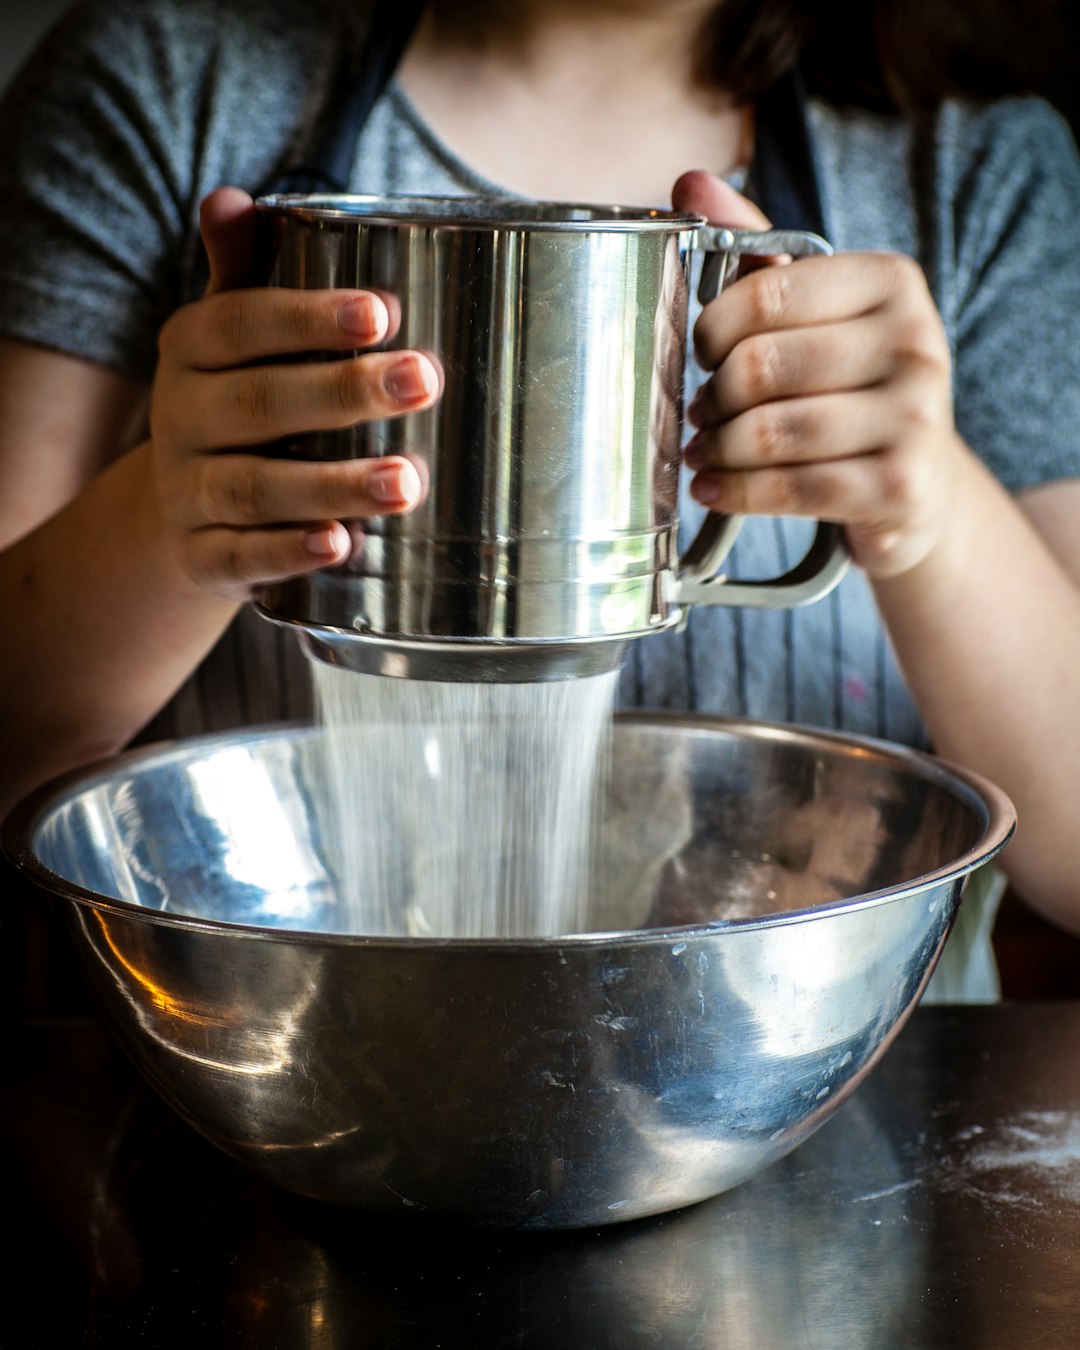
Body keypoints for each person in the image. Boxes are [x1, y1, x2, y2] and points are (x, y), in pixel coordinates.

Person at [1, 0, 1080, 1000]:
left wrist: (930, 506)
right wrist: (173, 517)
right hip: (262, 1058)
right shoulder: (161, 83)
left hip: (845, 1091)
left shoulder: (974, 168)